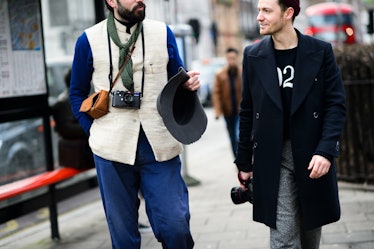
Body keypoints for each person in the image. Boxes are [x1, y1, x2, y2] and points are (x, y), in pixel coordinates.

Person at [69, 0, 200, 248]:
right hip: (111, 149)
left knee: (175, 226)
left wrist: (188, 84)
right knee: (123, 236)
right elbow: (76, 94)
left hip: (159, 143)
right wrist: (93, 132)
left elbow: (178, 79)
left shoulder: (163, 33)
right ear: (111, 1)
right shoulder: (88, 40)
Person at [234, 0, 346, 248]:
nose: (259, 17)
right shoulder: (253, 55)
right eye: (258, 10)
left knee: (310, 236)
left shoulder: (320, 51)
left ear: (288, 13)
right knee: (283, 238)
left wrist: (326, 151)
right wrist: (244, 162)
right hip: (274, 157)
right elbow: (248, 111)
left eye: (266, 11)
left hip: (312, 155)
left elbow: (335, 105)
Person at [212, 47, 242, 157]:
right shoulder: (220, 75)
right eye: (229, 58)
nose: (231, 61)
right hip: (228, 112)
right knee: (232, 138)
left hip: (241, 111)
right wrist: (217, 111)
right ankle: (237, 159)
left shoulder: (242, 73)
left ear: (237, 58)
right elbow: (216, 93)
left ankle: (242, 159)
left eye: (233, 58)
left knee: (238, 135)